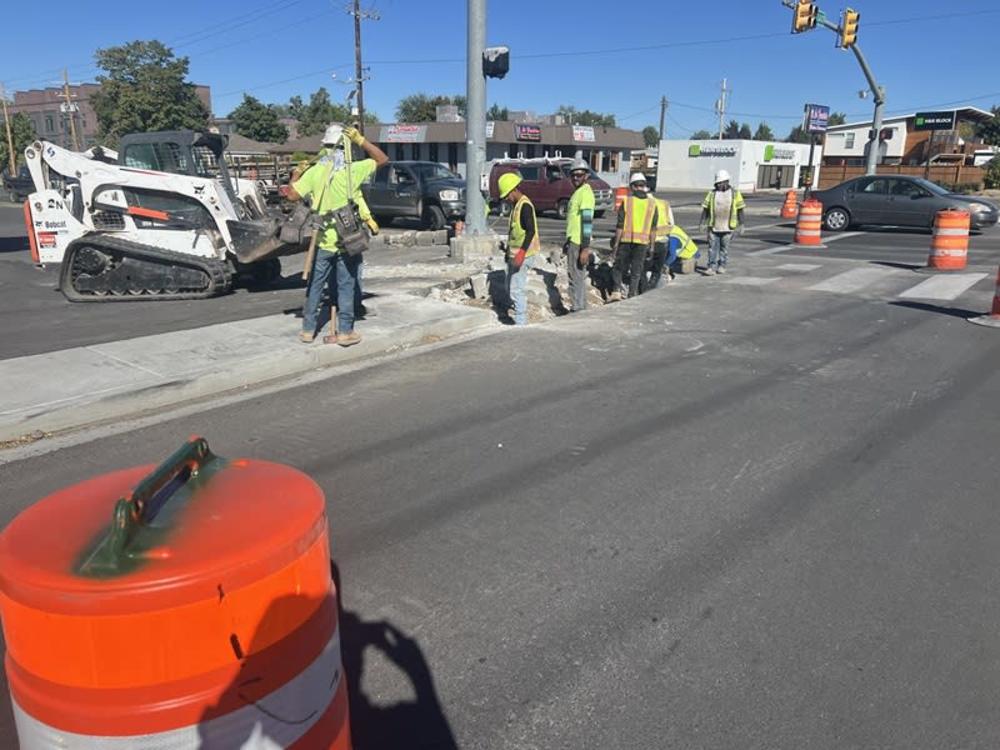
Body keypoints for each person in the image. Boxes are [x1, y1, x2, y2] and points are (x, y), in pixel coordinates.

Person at [284, 124, 389, 345]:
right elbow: (382, 159)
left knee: (315, 285)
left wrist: (296, 174)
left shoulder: (314, 172)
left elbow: (292, 195)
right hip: (348, 241)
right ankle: (345, 332)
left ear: (325, 146)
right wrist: (362, 141)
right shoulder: (352, 171)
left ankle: (307, 330)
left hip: (322, 242)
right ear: (346, 148)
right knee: (346, 285)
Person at [497, 172, 540, 326]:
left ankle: (520, 322)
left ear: (514, 189)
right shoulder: (517, 205)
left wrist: (521, 253)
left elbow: (531, 231)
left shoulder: (525, 206)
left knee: (516, 289)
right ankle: (517, 314)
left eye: (507, 194)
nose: (506, 198)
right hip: (515, 255)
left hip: (524, 255)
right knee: (511, 285)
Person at [610, 173, 658, 300]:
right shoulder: (652, 204)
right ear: (644, 186)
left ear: (632, 187)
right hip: (642, 243)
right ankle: (632, 294)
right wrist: (652, 246)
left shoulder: (627, 201)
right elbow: (653, 229)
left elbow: (620, 225)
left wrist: (615, 244)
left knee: (619, 267)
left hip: (626, 241)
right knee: (636, 270)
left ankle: (616, 291)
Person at [698, 169, 745, 275]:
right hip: (714, 226)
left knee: (724, 249)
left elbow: (740, 209)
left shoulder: (735, 194)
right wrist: (702, 222)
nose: (718, 185)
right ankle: (711, 267)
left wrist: (741, 224)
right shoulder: (712, 194)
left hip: (728, 227)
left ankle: (722, 265)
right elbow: (705, 209)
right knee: (712, 248)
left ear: (726, 182)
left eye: (720, 183)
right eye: (717, 183)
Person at [563, 159, 595, 312]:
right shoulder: (578, 192)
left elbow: (587, 222)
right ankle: (581, 308)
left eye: (579, 175)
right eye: (573, 176)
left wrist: (585, 248)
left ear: (586, 176)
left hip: (579, 243)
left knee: (575, 278)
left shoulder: (585, 193)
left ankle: (577, 309)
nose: (576, 178)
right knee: (578, 278)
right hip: (574, 241)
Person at [645, 192, 674, 290]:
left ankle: (644, 290)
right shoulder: (664, 203)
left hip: (646, 242)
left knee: (642, 270)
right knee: (657, 271)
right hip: (662, 241)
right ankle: (650, 289)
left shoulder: (643, 204)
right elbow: (671, 223)